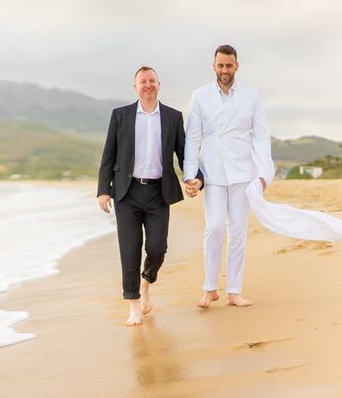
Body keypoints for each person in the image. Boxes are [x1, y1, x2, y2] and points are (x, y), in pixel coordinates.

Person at [97, 66, 201, 326]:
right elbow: (108, 154)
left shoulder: (173, 117)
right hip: (126, 192)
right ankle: (133, 305)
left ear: (159, 84)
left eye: (152, 80)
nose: (148, 85)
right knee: (129, 250)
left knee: (157, 248)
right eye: (142, 81)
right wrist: (103, 190)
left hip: (158, 192)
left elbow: (184, 154)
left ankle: (146, 282)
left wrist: (196, 178)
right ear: (135, 87)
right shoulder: (120, 116)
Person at [183, 44, 274, 309]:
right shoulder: (199, 96)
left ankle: (234, 291)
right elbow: (193, 138)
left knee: (238, 233)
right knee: (213, 229)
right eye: (220, 65)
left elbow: (261, 135)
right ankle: (210, 289)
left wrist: (264, 173)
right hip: (212, 174)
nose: (225, 69)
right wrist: (190, 174)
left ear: (237, 66)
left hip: (244, 174)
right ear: (214, 66)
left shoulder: (251, 96)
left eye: (229, 65)